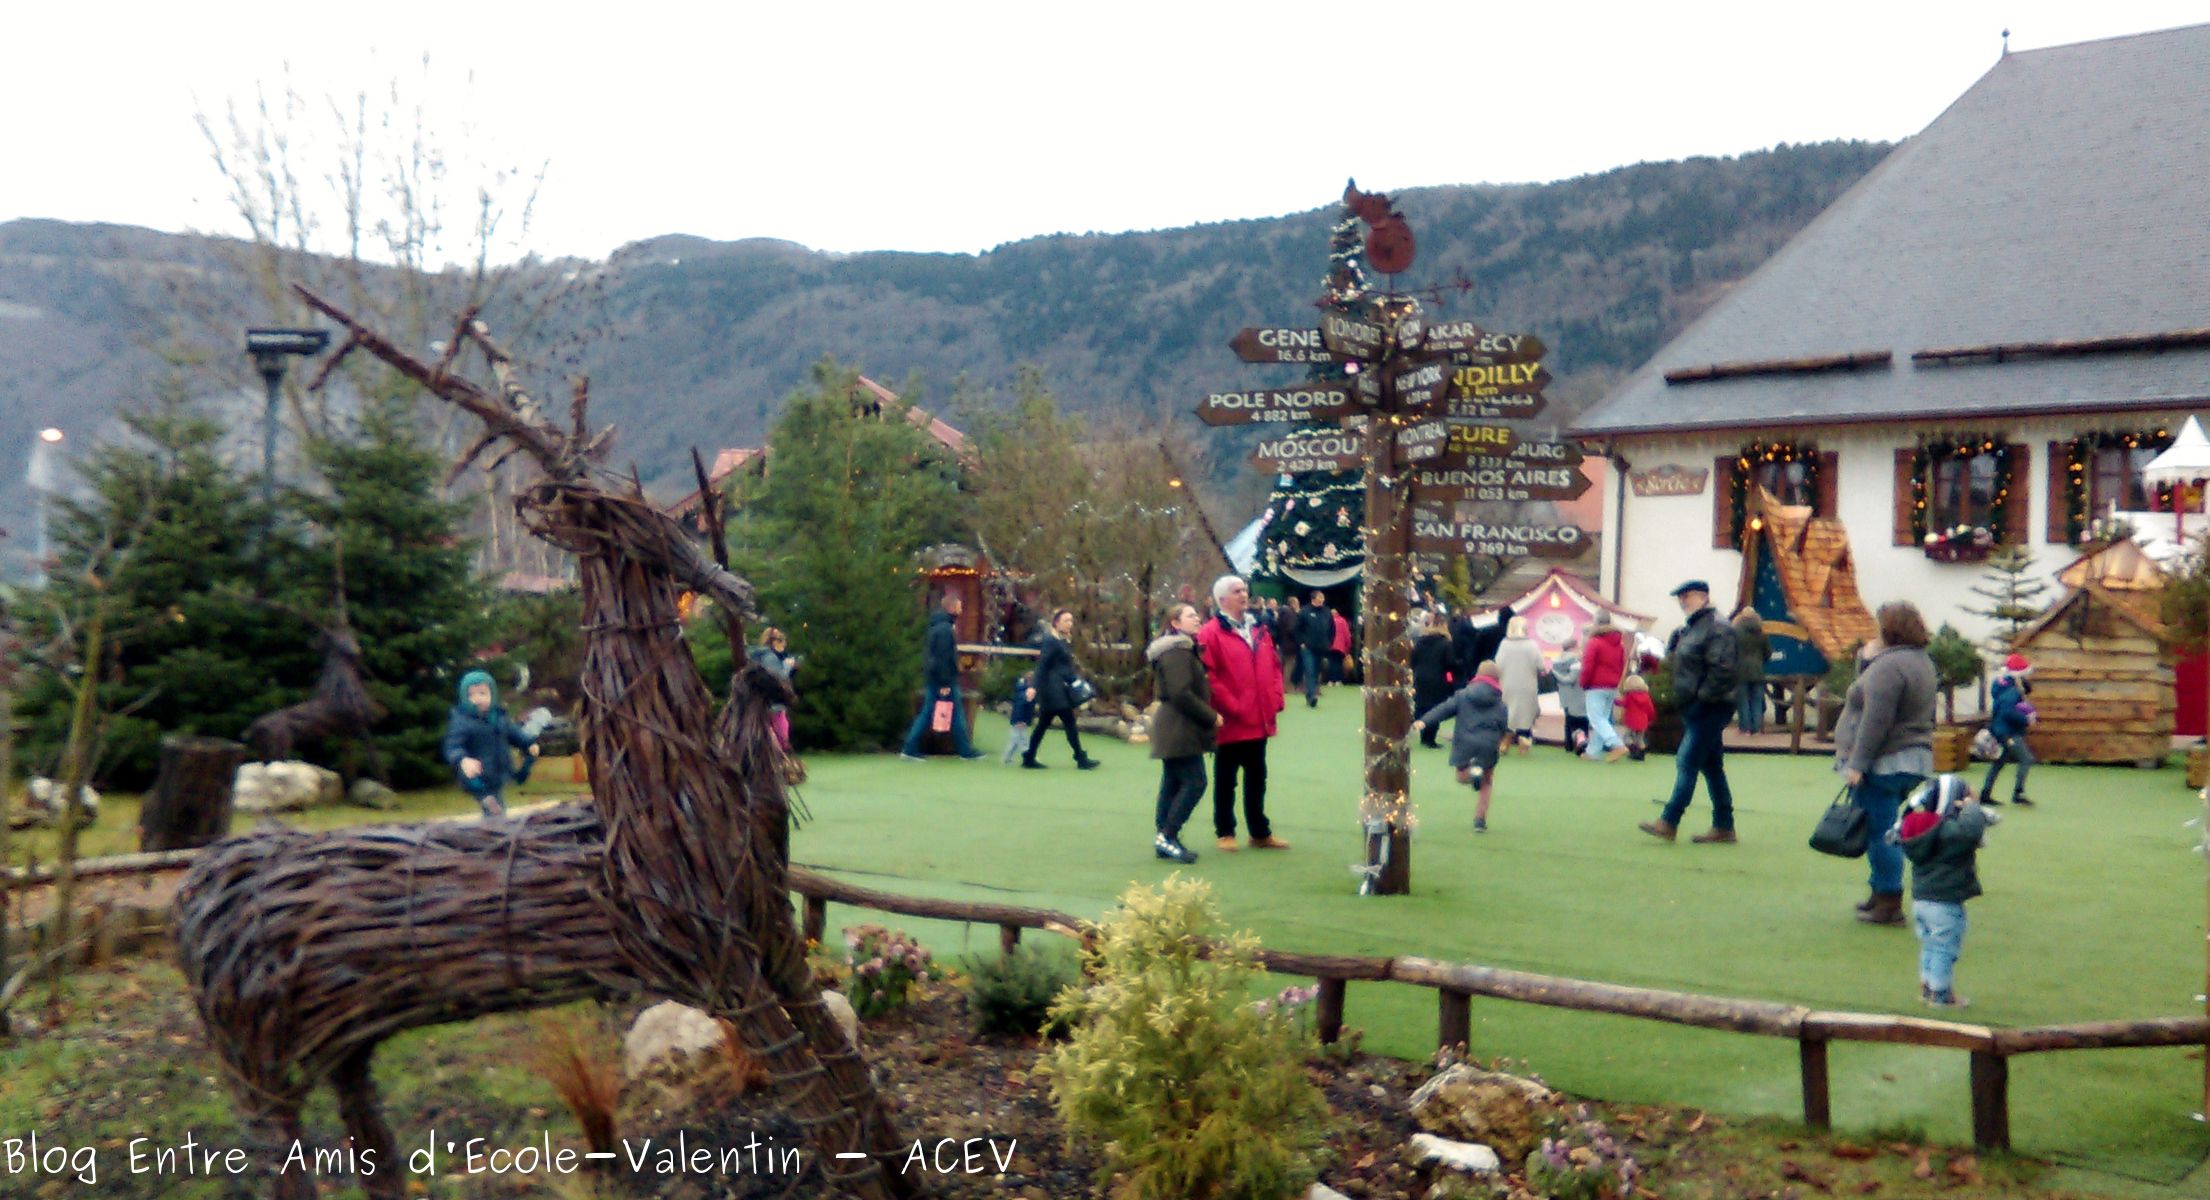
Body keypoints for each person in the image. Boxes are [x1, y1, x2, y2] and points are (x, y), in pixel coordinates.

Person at [1831, 602, 1939, 926]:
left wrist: (1857, 764)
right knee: (1884, 827)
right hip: (1912, 757)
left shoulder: (1889, 667)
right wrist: (1865, 661)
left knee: (1881, 832)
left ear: (1888, 630)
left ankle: (1889, 900)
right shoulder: (1920, 661)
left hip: (1887, 761)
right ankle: (1880, 893)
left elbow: (1874, 720)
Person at [1640, 579, 1741, 844]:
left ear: (1704, 597)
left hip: (1709, 706)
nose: (1683, 601)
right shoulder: (1696, 627)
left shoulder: (1716, 628)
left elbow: (1723, 670)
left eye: (1688, 596)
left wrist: (1701, 699)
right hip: (1699, 705)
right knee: (1712, 766)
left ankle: (1669, 820)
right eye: (1681, 597)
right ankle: (1724, 825)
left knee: (1687, 762)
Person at [1197, 575, 1289, 851]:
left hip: (1259, 717)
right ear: (1222, 599)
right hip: (1232, 720)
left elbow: (1273, 666)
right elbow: (1209, 678)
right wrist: (1233, 706)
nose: (1244, 594)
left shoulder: (1260, 628)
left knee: (1257, 776)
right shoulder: (1210, 633)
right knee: (1226, 778)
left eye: (1245, 590)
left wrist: (1275, 698)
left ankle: (1260, 832)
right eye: (1237, 591)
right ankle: (1225, 831)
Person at [1898, 774, 1999, 1008]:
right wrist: (1972, 806)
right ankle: (1940, 993)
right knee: (1945, 947)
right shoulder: (1950, 832)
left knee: (1931, 945)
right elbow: (1972, 830)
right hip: (1945, 901)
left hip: (1921, 899)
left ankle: (1927, 986)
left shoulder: (1918, 827)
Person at [1147, 603, 1221, 863]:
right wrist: (1211, 716)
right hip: (1178, 727)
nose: (1197, 618)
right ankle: (1167, 835)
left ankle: (1164, 838)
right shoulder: (1176, 653)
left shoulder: (1182, 650)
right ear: (1175, 623)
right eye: (1190, 616)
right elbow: (1181, 693)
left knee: (1172, 783)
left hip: (1176, 726)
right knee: (1194, 782)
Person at [1411, 659, 1510, 833]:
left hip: (1465, 743)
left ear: (1478, 675)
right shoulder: (1500, 704)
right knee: (1487, 783)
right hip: (1488, 745)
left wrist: (1424, 722)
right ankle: (1480, 820)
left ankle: (1472, 774)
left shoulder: (1463, 695)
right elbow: (1503, 727)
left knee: (1460, 776)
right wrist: (1499, 740)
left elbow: (1443, 709)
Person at [442, 668, 541, 818]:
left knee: (496, 804)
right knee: (493, 806)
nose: (477, 698)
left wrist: (528, 743)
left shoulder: (499, 718)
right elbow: (453, 745)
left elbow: (514, 734)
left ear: (492, 694)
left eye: (482, 693)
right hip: (475, 773)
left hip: (497, 770)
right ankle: (488, 804)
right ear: (464, 698)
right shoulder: (462, 721)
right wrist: (462, 759)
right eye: (471, 695)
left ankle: (491, 818)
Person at [902, 594, 987, 762]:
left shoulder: (938, 626)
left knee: (942, 712)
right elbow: (942, 657)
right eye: (959, 606)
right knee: (941, 713)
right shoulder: (945, 630)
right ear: (952, 608)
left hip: (936, 678)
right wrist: (945, 682)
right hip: (943, 680)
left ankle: (962, 749)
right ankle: (963, 750)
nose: (961, 610)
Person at [1023, 608, 1097, 769]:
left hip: (1058, 688)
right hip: (1053, 690)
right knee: (1069, 722)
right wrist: (1033, 687)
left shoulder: (1062, 641)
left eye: (1071, 620)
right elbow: (1042, 665)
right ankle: (1080, 758)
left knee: (1043, 724)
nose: (1069, 624)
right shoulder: (1051, 641)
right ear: (1056, 623)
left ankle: (1029, 756)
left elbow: (1064, 667)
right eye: (1066, 620)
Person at [1980, 653, 2037, 807]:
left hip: (1999, 730)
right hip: (2008, 732)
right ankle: (2018, 793)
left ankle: (1985, 794)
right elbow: (2007, 712)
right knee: (2026, 758)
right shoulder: (2013, 691)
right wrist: (2026, 719)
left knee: (1999, 762)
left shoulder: (2001, 686)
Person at [1580, 611, 1630, 762]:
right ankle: (1592, 752)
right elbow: (1622, 665)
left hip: (1595, 685)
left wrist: (1584, 682)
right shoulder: (1619, 644)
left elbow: (1588, 666)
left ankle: (1616, 744)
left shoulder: (1594, 642)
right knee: (1603, 719)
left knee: (1596, 718)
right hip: (1612, 685)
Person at [1494, 617, 1544, 755]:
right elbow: (1541, 665)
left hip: (1507, 684)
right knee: (1525, 714)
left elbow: (1497, 664)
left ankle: (1505, 740)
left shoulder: (1504, 644)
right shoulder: (1531, 645)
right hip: (1527, 684)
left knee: (1509, 712)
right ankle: (1524, 740)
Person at [747, 625, 799, 750]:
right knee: (781, 739)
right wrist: (787, 666)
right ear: (775, 642)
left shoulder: (759, 656)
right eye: (782, 641)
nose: (784, 645)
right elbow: (778, 678)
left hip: (763, 705)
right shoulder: (770, 657)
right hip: (774, 705)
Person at [1410, 611, 1456, 748]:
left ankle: (1419, 731)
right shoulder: (1445, 643)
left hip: (1420, 677)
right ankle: (1429, 739)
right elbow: (1450, 663)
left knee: (1420, 705)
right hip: (1437, 679)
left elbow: (1413, 660)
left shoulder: (1420, 641)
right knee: (1434, 708)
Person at [1733, 609, 1771, 734]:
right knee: (1757, 701)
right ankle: (1756, 728)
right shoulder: (1761, 632)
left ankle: (1745, 728)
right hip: (1758, 671)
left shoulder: (1736, 632)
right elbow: (1768, 653)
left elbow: (1730, 651)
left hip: (1740, 671)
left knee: (1743, 700)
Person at [1296, 592, 1335, 708]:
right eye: (1320, 597)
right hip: (1307, 648)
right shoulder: (1304, 611)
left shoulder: (1327, 612)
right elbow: (1296, 628)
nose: (1322, 599)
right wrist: (1301, 643)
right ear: (1313, 599)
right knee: (1310, 670)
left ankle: (1311, 693)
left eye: (1323, 597)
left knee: (1317, 671)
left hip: (1322, 647)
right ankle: (1312, 696)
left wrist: (1329, 642)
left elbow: (1332, 629)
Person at [1552, 636, 1589, 754]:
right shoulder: (1576, 659)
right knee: (1582, 719)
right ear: (1574, 647)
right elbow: (1572, 678)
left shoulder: (1557, 660)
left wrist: (1557, 676)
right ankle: (1582, 744)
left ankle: (1568, 744)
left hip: (1563, 693)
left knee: (1568, 720)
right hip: (1577, 692)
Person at [1002, 670, 1037, 764]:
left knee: (1015, 741)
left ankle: (1007, 758)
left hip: (1020, 720)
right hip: (1019, 721)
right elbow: (1020, 708)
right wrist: (1020, 720)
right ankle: (1028, 757)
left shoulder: (1023, 692)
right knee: (1022, 740)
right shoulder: (1024, 694)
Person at [1617, 674, 1654, 760]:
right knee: (1640, 738)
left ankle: (1633, 750)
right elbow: (1650, 709)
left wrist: (1614, 701)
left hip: (1632, 721)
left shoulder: (1629, 696)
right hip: (1643, 721)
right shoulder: (1646, 696)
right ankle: (1641, 754)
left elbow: (1623, 703)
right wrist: (1650, 718)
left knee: (1627, 737)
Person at [1329, 605, 1353, 684]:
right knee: (1338, 663)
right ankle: (1338, 680)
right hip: (1340, 646)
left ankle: (1331, 680)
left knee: (1332, 662)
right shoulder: (1342, 621)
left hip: (1330, 645)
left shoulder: (1328, 621)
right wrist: (1348, 646)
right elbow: (1347, 635)